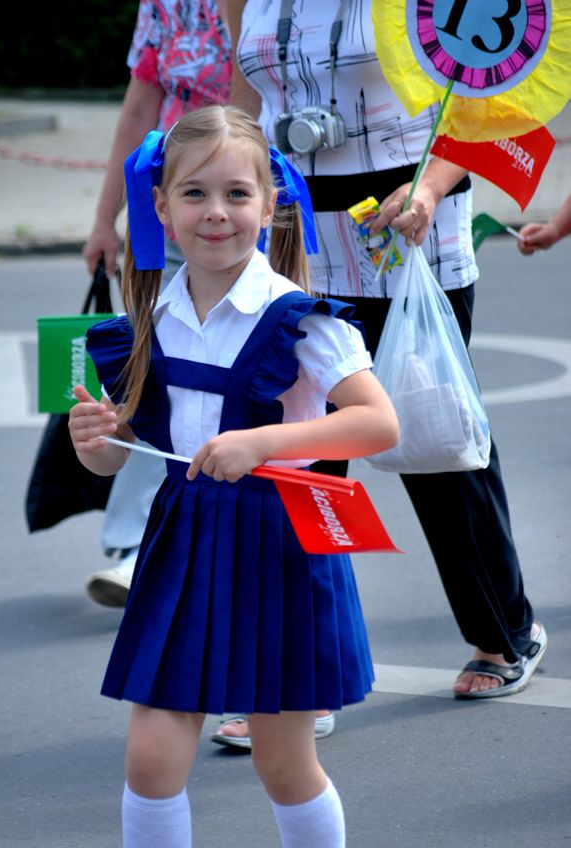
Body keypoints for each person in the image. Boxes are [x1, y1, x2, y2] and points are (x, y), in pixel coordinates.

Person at [68, 105, 399, 848]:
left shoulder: (299, 318)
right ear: (163, 208)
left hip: (279, 547)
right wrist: (91, 438)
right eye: (194, 194)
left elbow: (376, 421)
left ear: (270, 207)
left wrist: (263, 446)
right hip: (183, 544)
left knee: (282, 761)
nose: (216, 212)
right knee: (150, 757)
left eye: (236, 193)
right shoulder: (153, 313)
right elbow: (118, 452)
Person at [226, 0, 547, 703]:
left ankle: (503, 632)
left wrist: (429, 187)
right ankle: (296, 672)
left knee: (433, 447)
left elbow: (486, 107)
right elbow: (241, 105)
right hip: (292, 243)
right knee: (298, 454)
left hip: (409, 237)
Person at [81, 0, 232, 608]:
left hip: (244, 226)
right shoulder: (163, 4)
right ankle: (136, 545)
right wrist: (103, 218)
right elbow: (140, 104)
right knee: (152, 379)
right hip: (164, 221)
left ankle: (181, 543)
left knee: (229, 389)